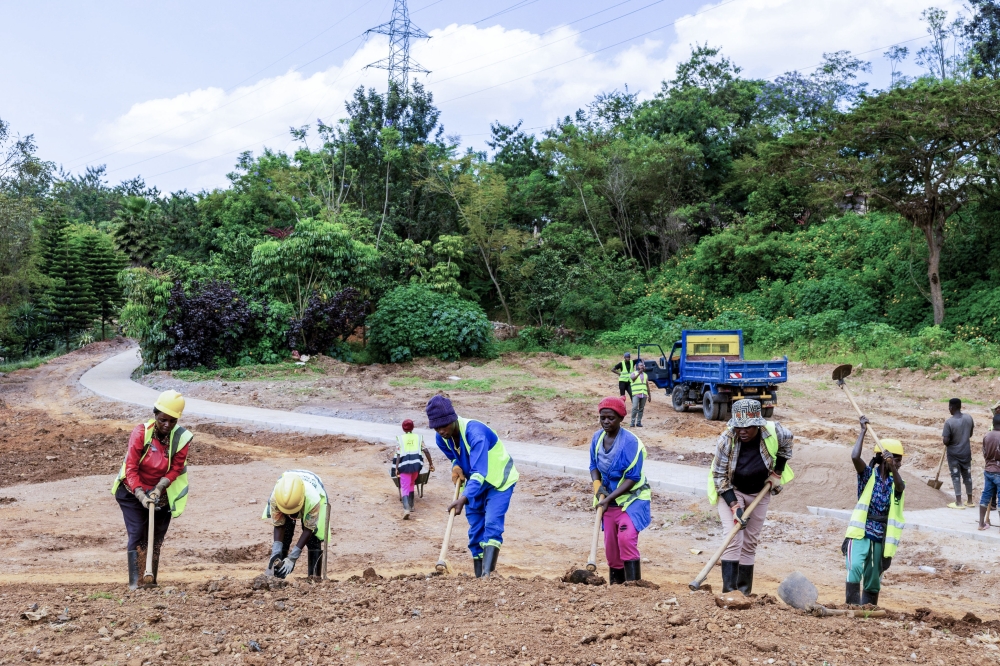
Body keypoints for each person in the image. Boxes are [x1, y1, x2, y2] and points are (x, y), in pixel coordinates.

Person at [426, 395, 518, 577]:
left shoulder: (475, 433)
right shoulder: (441, 439)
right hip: (475, 485)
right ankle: (479, 578)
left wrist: (463, 498)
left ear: (452, 418)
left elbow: (479, 472)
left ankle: (487, 577)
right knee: (475, 530)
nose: (441, 431)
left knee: (491, 524)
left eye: (443, 426)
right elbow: (455, 457)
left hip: (499, 481)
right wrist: (456, 466)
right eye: (436, 427)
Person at [708, 398, 793, 594]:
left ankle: (744, 592)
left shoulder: (774, 431)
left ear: (757, 424)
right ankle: (730, 593)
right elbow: (720, 477)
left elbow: (787, 445)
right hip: (731, 488)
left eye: (747, 427)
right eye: (738, 427)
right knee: (733, 537)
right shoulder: (725, 440)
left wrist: (777, 472)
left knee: (749, 541)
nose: (742, 431)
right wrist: (735, 507)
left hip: (759, 492)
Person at [111, 390, 192, 590]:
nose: (167, 425)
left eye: (172, 421)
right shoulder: (141, 433)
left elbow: (176, 468)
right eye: (163, 419)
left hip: (161, 494)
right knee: (138, 532)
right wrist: (141, 494)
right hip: (132, 491)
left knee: (155, 538)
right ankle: (136, 582)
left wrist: (158, 489)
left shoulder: (181, 438)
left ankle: (150, 580)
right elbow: (130, 468)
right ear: (155, 415)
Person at [589, 396, 652, 583]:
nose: (606, 422)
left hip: (632, 499)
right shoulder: (597, 438)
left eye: (611, 418)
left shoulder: (631, 443)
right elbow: (593, 466)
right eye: (603, 417)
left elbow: (633, 478)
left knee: (625, 538)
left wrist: (608, 499)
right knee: (611, 547)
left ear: (621, 419)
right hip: (608, 501)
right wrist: (598, 488)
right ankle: (617, 590)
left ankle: (633, 586)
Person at [845, 416, 905, 606]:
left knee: (872, 577)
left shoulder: (896, 482)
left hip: (880, 536)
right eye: (896, 459)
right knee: (854, 566)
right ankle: (852, 606)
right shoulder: (868, 476)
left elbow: (901, 487)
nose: (898, 463)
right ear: (883, 458)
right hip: (861, 532)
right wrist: (862, 431)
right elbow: (855, 457)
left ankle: (868, 610)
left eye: (900, 461)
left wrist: (893, 468)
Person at [263, 470, 329, 579]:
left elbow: (308, 529)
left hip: (312, 488)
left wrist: (293, 557)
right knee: (285, 535)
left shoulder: (313, 500)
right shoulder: (276, 498)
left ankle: (314, 577)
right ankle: (279, 575)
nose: (292, 516)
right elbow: (279, 525)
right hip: (287, 491)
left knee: (313, 538)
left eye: (294, 511)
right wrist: (275, 552)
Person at [394, 418, 435, 520]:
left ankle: (406, 509)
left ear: (403, 429)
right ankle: (411, 506)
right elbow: (426, 451)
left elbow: (398, 455)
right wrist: (431, 464)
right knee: (412, 483)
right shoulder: (419, 437)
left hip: (404, 466)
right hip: (416, 466)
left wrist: (396, 468)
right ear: (413, 428)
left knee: (404, 487)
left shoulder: (400, 438)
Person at [943, 398, 975, 509]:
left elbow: (946, 441)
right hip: (966, 453)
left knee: (956, 476)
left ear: (952, 407)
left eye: (949, 407)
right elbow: (970, 434)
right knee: (967, 475)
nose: (949, 410)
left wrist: (949, 441)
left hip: (954, 455)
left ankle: (959, 502)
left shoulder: (949, 422)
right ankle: (970, 501)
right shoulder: (969, 418)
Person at [980, 414, 1000, 530]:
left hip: (988, 470)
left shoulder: (987, 436)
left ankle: (981, 524)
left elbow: (984, 453)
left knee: (985, 496)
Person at [629, 361, 652, 428]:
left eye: (643, 365)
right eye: (640, 365)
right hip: (636, 394)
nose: (642, 366)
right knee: (635, 407)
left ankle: (639, 422)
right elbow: (633, 379)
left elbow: (647, 385)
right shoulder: (633, 373)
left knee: (641, 408)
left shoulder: (645, 375)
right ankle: (632, 422)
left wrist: (649, 395)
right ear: (637, 366)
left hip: (643, 394)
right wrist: (639, 373)